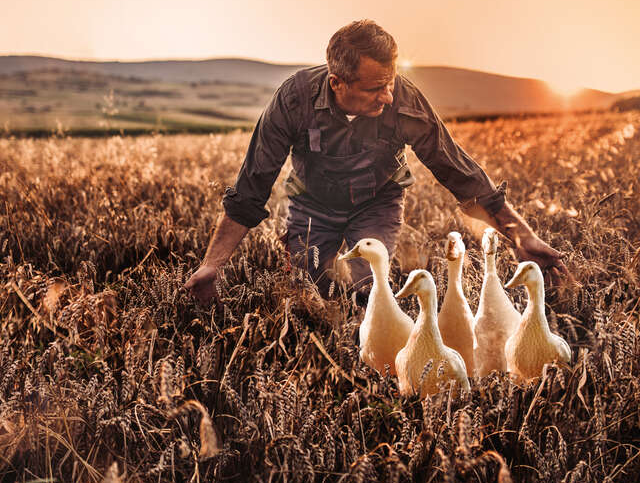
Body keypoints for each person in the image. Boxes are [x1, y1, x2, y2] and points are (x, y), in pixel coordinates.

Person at [184, 20, 563, 306]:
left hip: (377, 205)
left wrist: (521, 235)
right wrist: (212, 265)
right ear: (337, 83)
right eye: (374, 88)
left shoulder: (403, 100)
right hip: (311, 208)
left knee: (372, 294)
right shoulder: (294, 100)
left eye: (391, 81)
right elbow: (252, 186)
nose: (388, 95)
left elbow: (456, 169)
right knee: (308, 299)